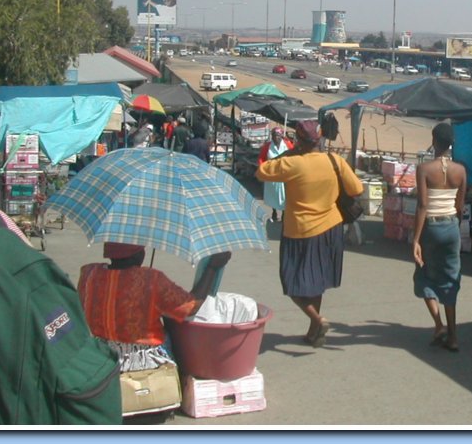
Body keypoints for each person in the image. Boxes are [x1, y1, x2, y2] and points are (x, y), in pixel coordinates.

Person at [255, 120, 363, 348]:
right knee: (318, 282)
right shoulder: (335, 161)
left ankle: (317, 320)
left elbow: (261, 172)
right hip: (331, 228)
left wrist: (291, 152)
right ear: (320, 139)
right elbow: (357, 189)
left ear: (300, 142)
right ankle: (315, 333)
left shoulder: (292, 163)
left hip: (300, 230)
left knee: (292, 281)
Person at [77, 242, 230, 371]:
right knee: (177, 334)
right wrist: (212, 268)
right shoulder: (151, 279)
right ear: (138, 254)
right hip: (144, 361)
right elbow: (190, 307)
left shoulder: (89, 274)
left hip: (101, 356)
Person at [412, 123, 467, 352]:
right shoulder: (460, 170)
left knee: (425, 274)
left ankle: (438, 324)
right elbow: (460, 206)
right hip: (452, 227)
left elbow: (423, 205)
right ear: (452, 143)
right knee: (450, 279)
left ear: (434, 141)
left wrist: (416, 239)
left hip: (431, 228)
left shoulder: (424, 169)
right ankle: (453, 336)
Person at [258, 127, 294, 222]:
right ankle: (274, 211)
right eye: (274, 136)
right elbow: (261, 158)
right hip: (272, 175)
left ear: (281, 136)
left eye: (277, 136)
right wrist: (263, 169)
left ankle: (284, 213)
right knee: (273, 195)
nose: (275, 138)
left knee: (284, 195)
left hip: (284, 175)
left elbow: (294, 155)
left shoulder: (287, 145)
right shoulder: (267, 146)